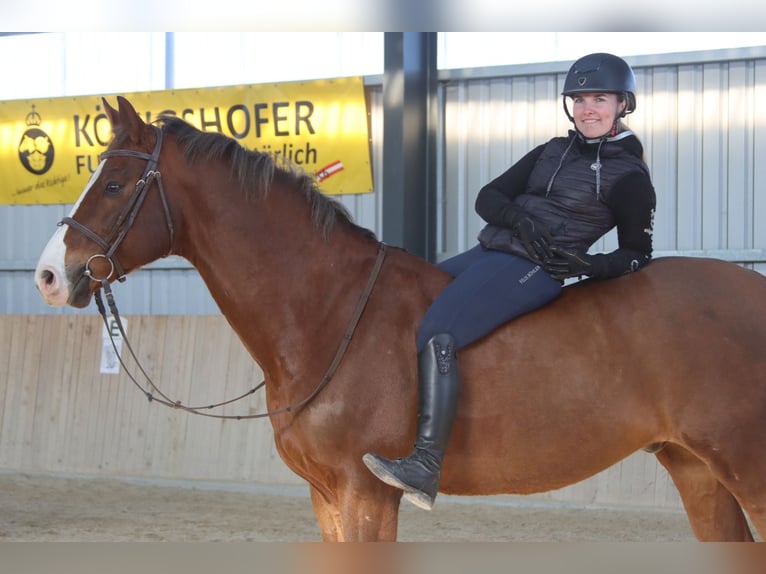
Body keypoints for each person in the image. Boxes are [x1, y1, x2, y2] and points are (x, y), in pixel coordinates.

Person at [362, 52, 657, 511]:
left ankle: (425, 464)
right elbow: (488, 197)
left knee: (440, 333)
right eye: (579, 100)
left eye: (599, 99)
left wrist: (588, 265)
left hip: (535, 269)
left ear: (623, 105)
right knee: (405, 299)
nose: (588, 109)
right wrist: (521, 221)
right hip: (492, 251)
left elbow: (638, 254)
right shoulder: (551, 152)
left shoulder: (631, 176)